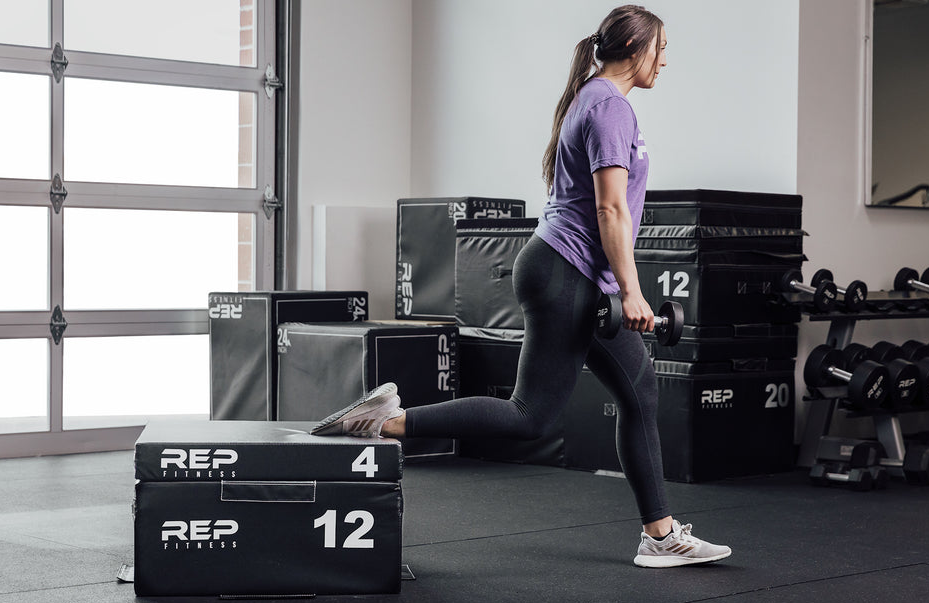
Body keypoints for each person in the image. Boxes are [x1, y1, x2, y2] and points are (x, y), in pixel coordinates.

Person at [312, 5, 731, 569]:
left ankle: (659, 535)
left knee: (639, 395)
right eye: (662, 49)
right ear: (635, 49)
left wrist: (620, 285)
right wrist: (632, 292)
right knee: (530, 414)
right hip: (568, 272)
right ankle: (382, 423)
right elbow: (610, 209)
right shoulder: (609, 107)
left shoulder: (596, 98)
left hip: (570, 272)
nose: (665, 61)